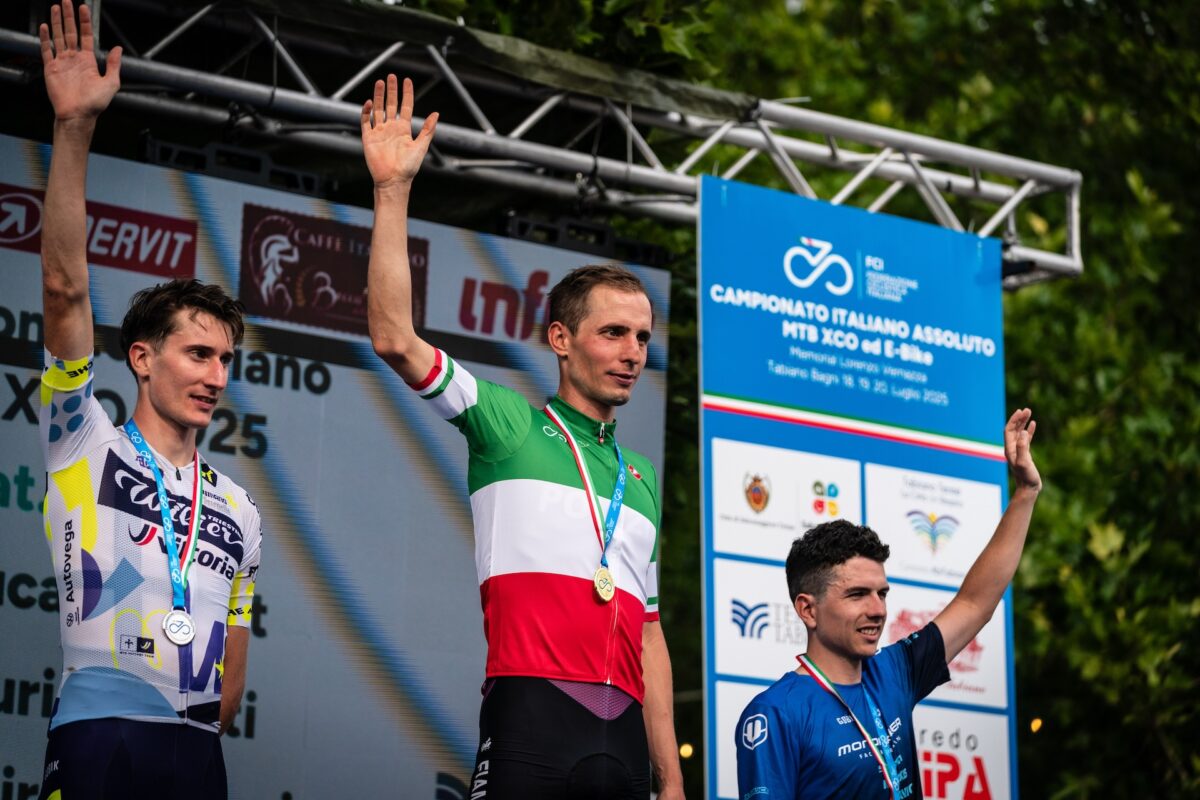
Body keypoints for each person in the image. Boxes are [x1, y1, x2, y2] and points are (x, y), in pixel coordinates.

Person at [361, 74, 685, 799]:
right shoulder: (508, 423)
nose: (633, 352)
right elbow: (393, 338)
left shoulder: (638, 476)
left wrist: (671, 778)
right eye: (613, 333)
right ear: (561, 339)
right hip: (531, 718)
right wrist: (392, 191)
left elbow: (648, 635)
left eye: (642, 337)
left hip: (626, 742)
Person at [36, 3, 262, 798]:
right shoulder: (82, 439)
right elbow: (64, 290)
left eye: (225, 360)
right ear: (141, 357)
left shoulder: (239, 510)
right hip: (99, 735)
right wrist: (74, 130)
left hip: (195, 752)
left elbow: (233, 674)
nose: (216, 375)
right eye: (198, 353)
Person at [737, 410, 1041, 799]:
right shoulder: (775, 713)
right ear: (808, 610)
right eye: (857, 594)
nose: (878, 610)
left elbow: (975, 603)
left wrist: (1025, 492)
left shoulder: (894, 671)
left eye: (881, 593)